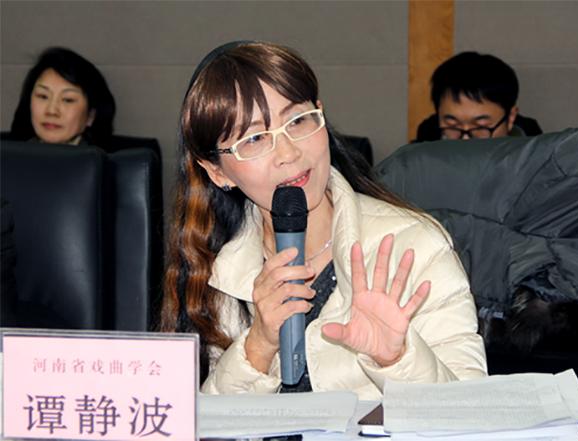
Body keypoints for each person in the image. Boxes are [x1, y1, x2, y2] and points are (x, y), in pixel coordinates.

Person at [159, 41, 487, 399]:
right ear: (217, 171)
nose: (288, 153)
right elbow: (197, 421)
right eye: (254, 139)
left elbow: (469, 409)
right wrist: (258, 347)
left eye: (298, 121)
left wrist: (397, 360)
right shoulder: (217, 268)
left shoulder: (413, 244)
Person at [414, 51, 542, 142]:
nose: (465, 139)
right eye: (453, 126)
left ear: (510, 118)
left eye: (481, 126)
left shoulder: (537, 162)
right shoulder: (419, 158)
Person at [7, 47, 115, 146]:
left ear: (90, 116)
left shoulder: (103, 160)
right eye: (43, 96)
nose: (51, 111)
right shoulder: (8, 156)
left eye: (68, 100)